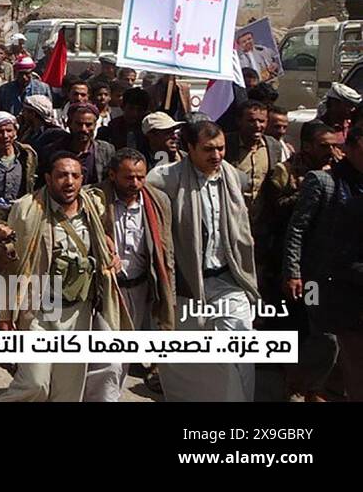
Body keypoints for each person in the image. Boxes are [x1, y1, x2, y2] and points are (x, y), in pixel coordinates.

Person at [0, 153, 122, 402]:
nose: (69, 182)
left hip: (78, 311)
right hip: (38, 311)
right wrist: (4, 316)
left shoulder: (92, 206)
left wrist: (111, 255)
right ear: (48, 178)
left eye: (75, 176)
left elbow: (103, 239)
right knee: (34, 384)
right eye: (62, 175)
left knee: (68, 392)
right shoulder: (27, 209)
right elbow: (12, 266)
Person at [147, 119, 258, 402]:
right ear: (189, 148)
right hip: (186, 284)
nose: (217, 155)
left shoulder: (232, 177)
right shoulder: (165, 179)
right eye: (208, 149)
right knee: (186, 361)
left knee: (238, 353)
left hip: (228, 279)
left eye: (221, 148)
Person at [257, 121, 341, 401]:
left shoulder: (336, 174)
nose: (330, 151)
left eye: (334, 146)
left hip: (321, 266)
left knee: (319, 330)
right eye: (323, 146)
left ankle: (311, 385)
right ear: (307, 146)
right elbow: (278, 214)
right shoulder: (284, 172)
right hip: (286, 260)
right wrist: (306, 191)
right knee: (291, 325)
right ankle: (291, 381)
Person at [88, 148, 176, 399]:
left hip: (140, 291)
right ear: (113, 175)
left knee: (123, 358)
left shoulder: (158, 202)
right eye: (129, 177)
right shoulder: (94, 199)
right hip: (106, 291)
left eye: (140, 177)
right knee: (109, 359)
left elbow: (164, 251)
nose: (135, 183)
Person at [283, 122, 363, 400]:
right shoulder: (323, 181)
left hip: (354, 281)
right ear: (351, 147)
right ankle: (306, 384)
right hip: (318, 279)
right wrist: (293, 272)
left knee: (346, 344)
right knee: (325, 336)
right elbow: (297, 229)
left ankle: (324, 386)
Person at [225, 99, 287, 210]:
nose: (257, 125)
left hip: (261, 218)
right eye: (251, 121)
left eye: (261, 121)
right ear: (239, 121)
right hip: (233, 213)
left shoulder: (273, 146)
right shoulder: (226, 145)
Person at [39, 103, 115, 184]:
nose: (83, 129)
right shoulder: (51, 151)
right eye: (79, 124)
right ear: (69, 123)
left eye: (88, 125)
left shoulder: (106, 151)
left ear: (95, 125)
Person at [97, 87, 151, 153]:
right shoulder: (111, 129)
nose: (134, 113)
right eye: (131, 108)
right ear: (123, 106)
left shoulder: (149, 132)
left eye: (139, 110)